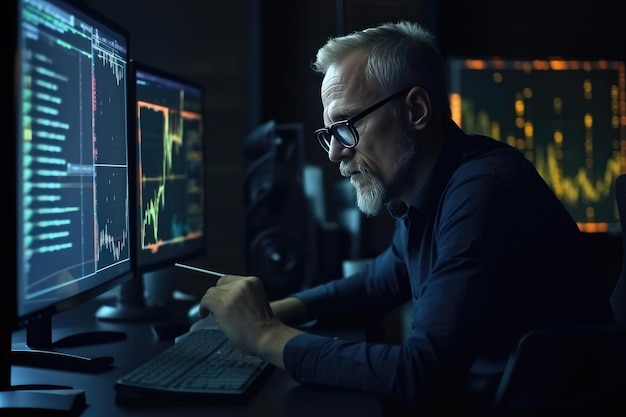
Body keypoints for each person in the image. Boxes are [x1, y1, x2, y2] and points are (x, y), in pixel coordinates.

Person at [199, 20, 614, 416]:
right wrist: (270, 312)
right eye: (329, 134)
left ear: (415, 109)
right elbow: (378, 281)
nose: (335, 154)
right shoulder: (435, 187)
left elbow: (422, 371)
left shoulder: (484, 192)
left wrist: (263, 336)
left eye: (345, 126)